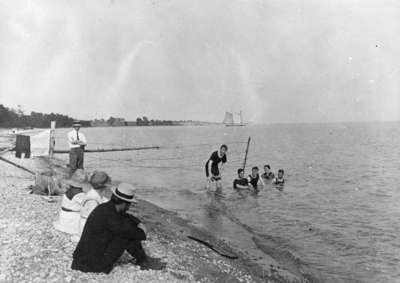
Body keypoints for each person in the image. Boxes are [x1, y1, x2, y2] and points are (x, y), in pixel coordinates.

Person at [71, 183, 166, 273]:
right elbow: (139, 235)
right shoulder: (113, 219)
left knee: (126, 227)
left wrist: (138, 222)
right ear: (124, 203)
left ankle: (144, 259)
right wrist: (141, 229)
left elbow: (127, 217)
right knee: (126, 235)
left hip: (81, 258)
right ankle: (143, 261)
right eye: (129, 204)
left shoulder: (104, 208)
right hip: (92, 265)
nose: (129, 207)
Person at [71, 171, 112, 242]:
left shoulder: (93, 193)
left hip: (86, 225)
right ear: (104, 186)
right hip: (86, 230)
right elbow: (93, 219)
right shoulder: (93, 199)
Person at [53, 169, 91, 235]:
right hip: (72, 219)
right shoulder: (79, 194)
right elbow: (88, 205)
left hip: (64, 216)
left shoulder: (69, 191)